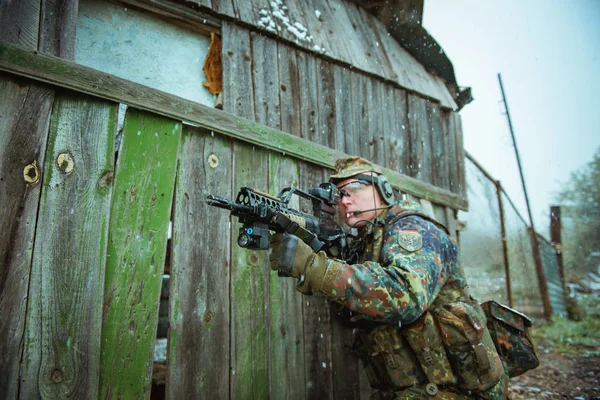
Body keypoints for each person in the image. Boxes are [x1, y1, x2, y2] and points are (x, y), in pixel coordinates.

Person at [269, 156, 509, 399]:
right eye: (339, 195)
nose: (344, 200)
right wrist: (325, 257)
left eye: (352, 189)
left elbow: (405, 295)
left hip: (465, 391)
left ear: (383, 190)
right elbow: (351, 316)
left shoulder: (414, 228)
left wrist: (315, 268)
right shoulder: (367, 242)